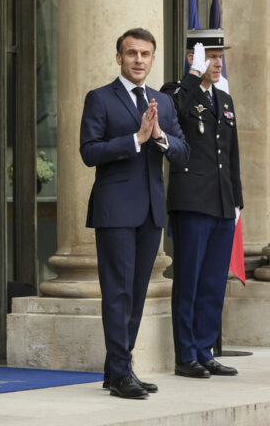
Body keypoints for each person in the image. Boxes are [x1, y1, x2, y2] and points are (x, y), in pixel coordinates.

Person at [79, 27, 188, 399]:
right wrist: (135, 140)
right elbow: (89, 151)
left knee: (137, 292)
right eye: (131, 54)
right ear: (119, 58)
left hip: (151, 212)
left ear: (153, 59)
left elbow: (183, 151)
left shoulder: (164, 102)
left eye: (145, 54)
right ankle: (122, 371)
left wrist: (158, 136)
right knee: (118, 293)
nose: (138, 60)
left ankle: (118, 369)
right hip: (115, 210)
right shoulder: (100, 99)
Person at [160, 30, 242, 379]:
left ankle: (205, 350)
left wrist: (237, 200)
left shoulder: (224, 99)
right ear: (193, 58)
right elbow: (173, 114)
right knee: (190, 280)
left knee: (212, 282)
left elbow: (232, 155)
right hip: (192, 202)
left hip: (222, 203)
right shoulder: (175, 92)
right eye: (209, 55)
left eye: (220, 55)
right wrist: (191, 76)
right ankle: (186, 355)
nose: (216, 61)